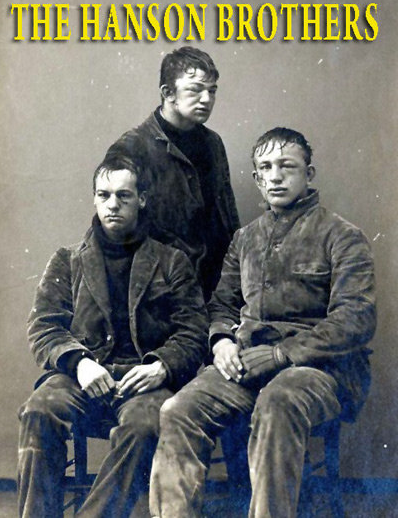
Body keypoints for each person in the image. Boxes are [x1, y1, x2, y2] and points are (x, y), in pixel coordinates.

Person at [149, 127, 376, 518]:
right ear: (256, 178)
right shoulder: (245, 239)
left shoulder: (342, 237)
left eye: (287, 166)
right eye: (266, 168)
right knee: (177, 410)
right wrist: (221, 341)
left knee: (278, 401)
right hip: (247, 365)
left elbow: (355, 319)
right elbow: (222, 304)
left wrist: (281, 354)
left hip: (321, 371)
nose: (276, 176)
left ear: (309, 173)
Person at [18, 151, 208, 518]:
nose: (113, 204)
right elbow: (43, 326)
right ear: (94, 199)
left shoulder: (172, 261)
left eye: (123, 195)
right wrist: (80, 363)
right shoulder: (67, 260)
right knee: (38, 410)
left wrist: (162, 367)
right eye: (104, 195)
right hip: (82, 376)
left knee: (146, 426)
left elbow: (194, 331)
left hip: (145, 382)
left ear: (142, 199)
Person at [105, 46, 240, 300]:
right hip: (161, 291)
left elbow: (228, 217)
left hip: (216, 288)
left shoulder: (213, 143)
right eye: (195, 89)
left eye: (212, 91)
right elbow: (118, 231)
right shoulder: (131, 148)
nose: (206, 99)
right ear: (168, 93)